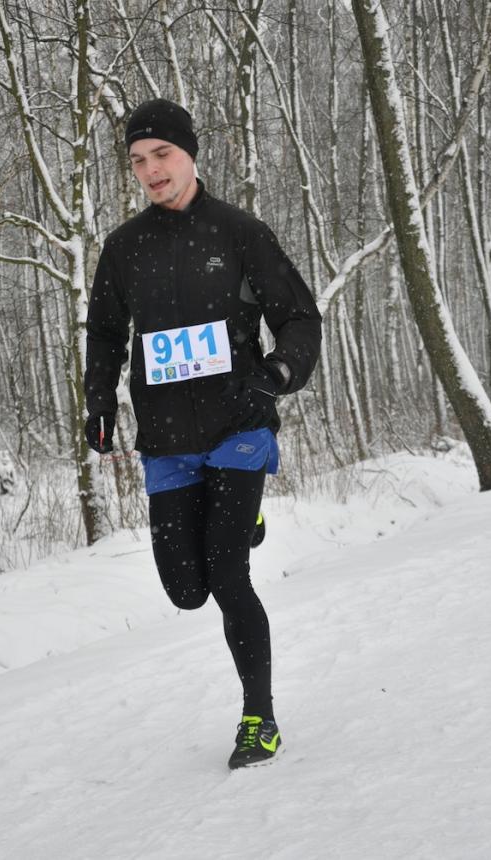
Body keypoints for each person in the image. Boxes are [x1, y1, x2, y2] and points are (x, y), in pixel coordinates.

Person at [84, 98, 322, 769]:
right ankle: (248, 521)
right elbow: (105, 332)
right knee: (186, 590)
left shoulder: (240, 233)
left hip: (237, 424)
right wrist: (98, 400)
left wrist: (276, 374)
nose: (151, 170)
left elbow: (300, 318)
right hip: (166, 437)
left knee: (226, 574)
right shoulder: (124, 249)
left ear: (190, 153)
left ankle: (259, 719)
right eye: (138, 160)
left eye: (162, 154)